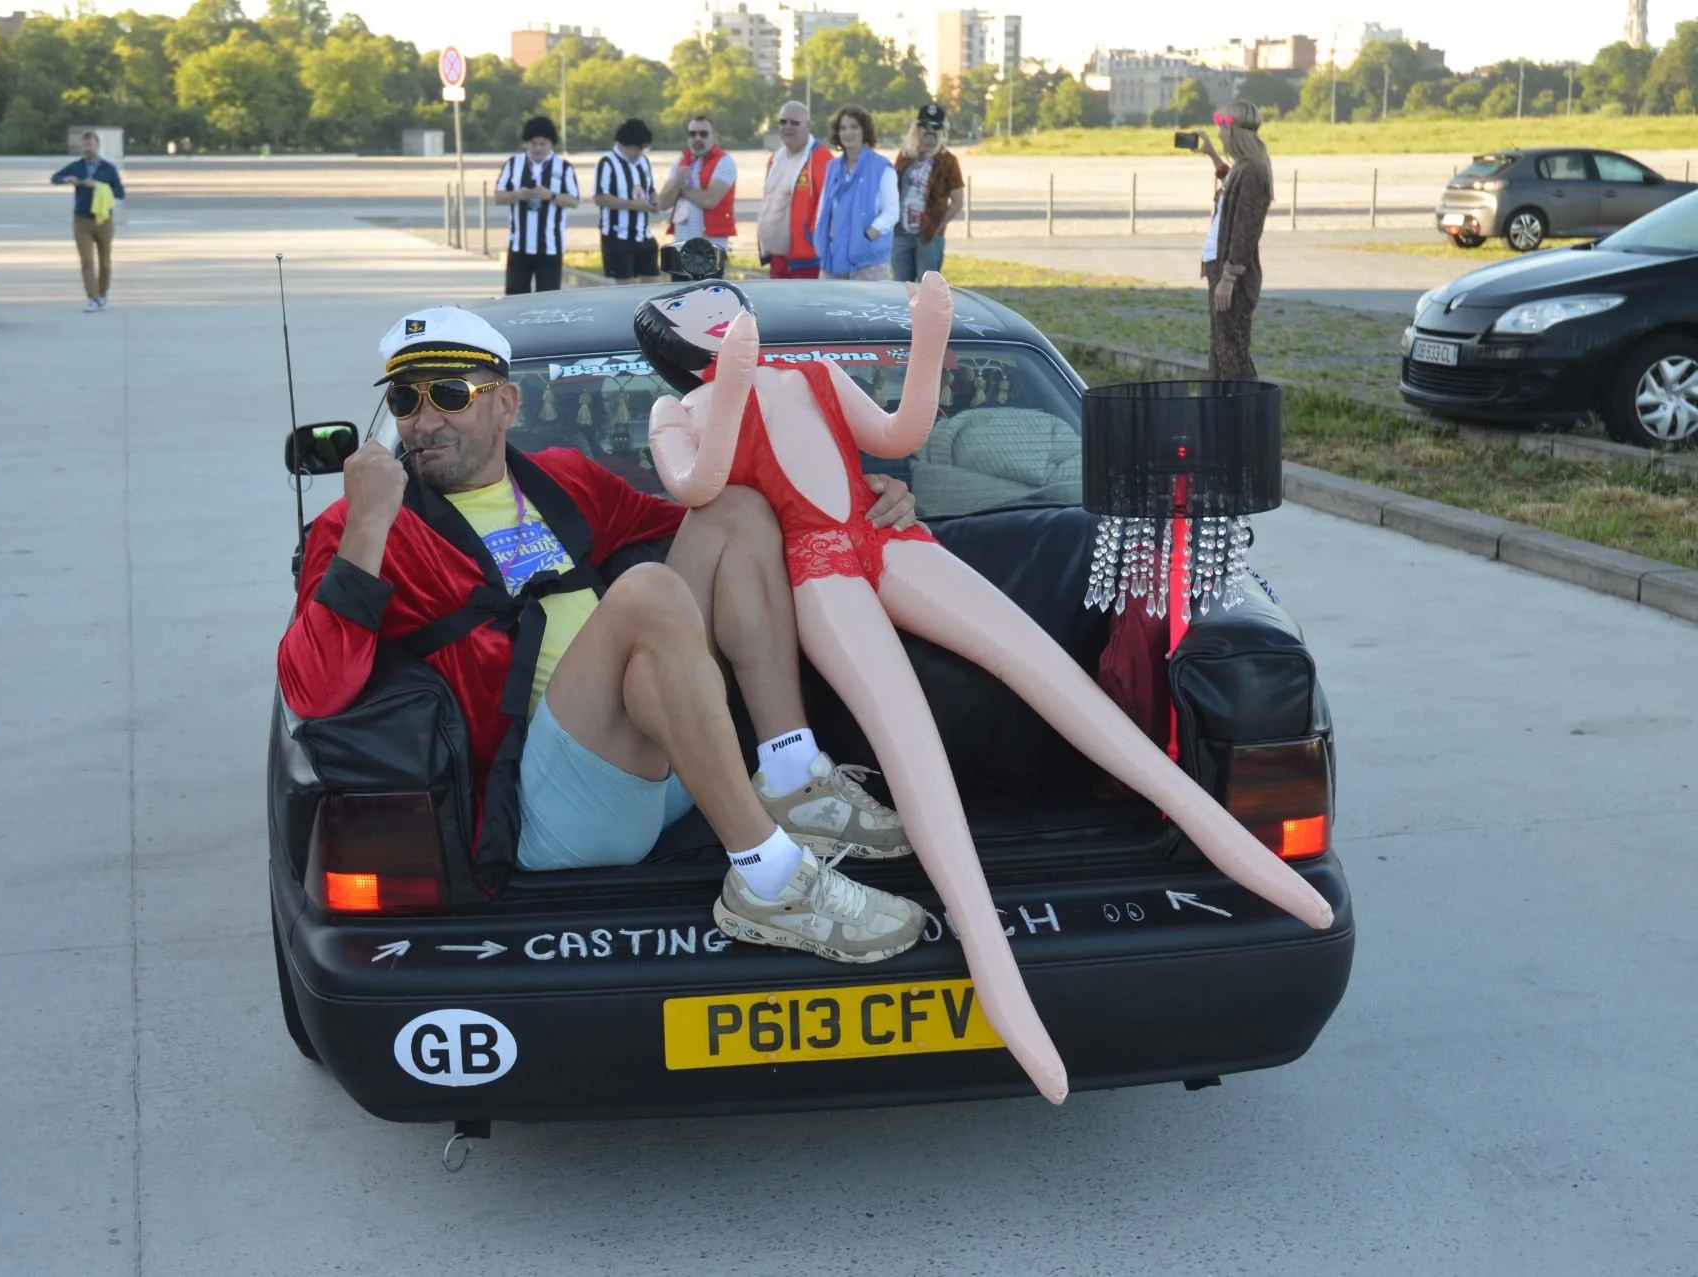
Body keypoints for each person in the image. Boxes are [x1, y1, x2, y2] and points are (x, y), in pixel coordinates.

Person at [635, 277, 1337, 1104]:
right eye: (689, 314)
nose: (713, 313)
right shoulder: (675, 412)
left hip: (887, 535)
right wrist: (732, 382)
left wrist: (929, 337)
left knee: (1056, 675)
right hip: (817, 568)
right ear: (669, 344)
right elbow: (696, 487)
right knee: (912, 748)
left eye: (720, 299)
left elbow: (902, 432)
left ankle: (1243, 852)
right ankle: (998, 982)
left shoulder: (815, 373)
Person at [278, 307, 932, 963]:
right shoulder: (363, 526)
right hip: (551, 807)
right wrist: (365, 526)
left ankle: (792, 779)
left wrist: (858, 497)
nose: (424, 420)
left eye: (450, 395)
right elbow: (312, 689)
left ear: (505, 404)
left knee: (736, 510)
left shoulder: (563, 478)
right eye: (404, 399)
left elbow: (709, 517)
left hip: (671, 759)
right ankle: (768, 878)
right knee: (647, 592)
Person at [1191, 99, 1273, 380]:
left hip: (1232, 275)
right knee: (1220, 350)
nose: (1219, 128)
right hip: (1221, 269)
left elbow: (1245, 230)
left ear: (1236, 130)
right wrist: (1213, 156)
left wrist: (1229, 276)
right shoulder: (1243, 168)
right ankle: (1222, 416)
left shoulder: (1252, 172)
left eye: (1223, 123)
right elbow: (1231, 188)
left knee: (1232, 354)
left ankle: (1245, 415)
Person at [494, 117, 582, 296]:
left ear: (551, 143)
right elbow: (498, 197)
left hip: (551, 247)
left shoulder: (563, 167)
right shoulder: (513, 164)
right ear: (527, 142)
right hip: (519, 246)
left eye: (543, 143)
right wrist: (519, 194)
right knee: (515, 298)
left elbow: (574, 201)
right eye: (534, 143)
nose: (538, 148)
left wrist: (552, 195)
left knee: (548, 300)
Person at [812, 105, 898, 282]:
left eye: (854, 127)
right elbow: (823, 209)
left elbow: (892, 212)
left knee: (869, 309)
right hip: (833, 257)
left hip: (869, 260)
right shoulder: (832, 168)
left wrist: (868, 235)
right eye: (843, 128)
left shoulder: (882, 168)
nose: (848, 132)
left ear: (864, 131)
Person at [49, 132, 125, 312]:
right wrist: (67, 179)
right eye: (84, 145)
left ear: (98, 146)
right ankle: (93, 298)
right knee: (87, 261)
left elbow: (120, 193)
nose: (87, 148)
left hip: (103, 219)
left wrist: (99, 185)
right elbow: (54, 178)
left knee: (105, 262)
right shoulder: (76, 166)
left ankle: (103, 294)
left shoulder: (108, 168)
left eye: (90, 145)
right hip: (81, 220)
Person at [891, 104, 965, 284]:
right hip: (901, 233)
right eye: (925, 126)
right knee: (901, 287)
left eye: (936, 126)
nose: (930, 131)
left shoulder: (948, 161)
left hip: (928, 236)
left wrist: (938, 226)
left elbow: (957, 200)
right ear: (917, 129)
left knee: (927, 288)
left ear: (942, 130)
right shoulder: (905, 157)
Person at [655, 115, 737, 278]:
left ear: (715, 136)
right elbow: (662, 203)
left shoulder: (724, 161)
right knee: (681, 301)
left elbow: (710, 200)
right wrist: (677, 183)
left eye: (703, 134)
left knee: (708, 301)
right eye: (693, 134)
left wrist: (681, 189)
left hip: (710, 249)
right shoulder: (681, 161)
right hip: (681, 248)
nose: (697, 138)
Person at [757, 100, 831, 280]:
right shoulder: (775, 159)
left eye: (794, 122)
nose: (787, 127)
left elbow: (830, 206)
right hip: (777, 259)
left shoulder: (821, 158)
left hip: (808, 260)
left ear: (808, 125)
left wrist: (813, 238)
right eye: (783, 122)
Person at [592, 119, 664, 286]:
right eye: (636, 147)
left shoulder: (643, 162)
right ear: (623, 144)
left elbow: (650, 188)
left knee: (653, 284)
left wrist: (655, 201)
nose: (639, 151)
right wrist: (633, 205)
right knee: (626, 287)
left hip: (643, 234)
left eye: (642, 147)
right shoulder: (607, 163)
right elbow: (600, 197)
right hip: (618, 235)